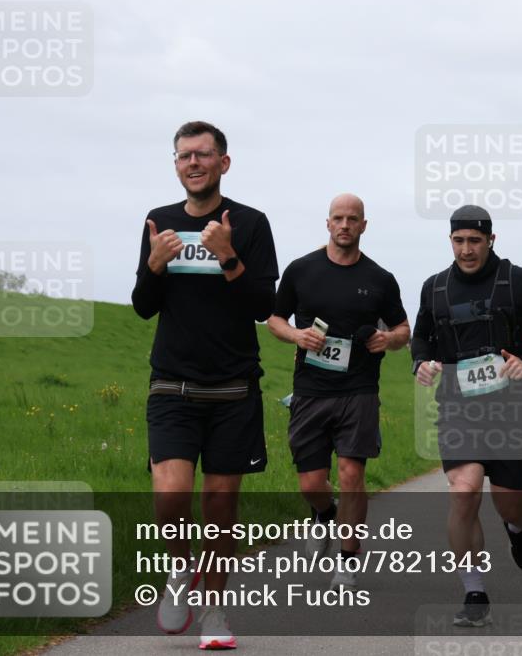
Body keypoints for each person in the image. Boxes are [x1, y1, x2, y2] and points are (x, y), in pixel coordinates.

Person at [132, 121, 279, 650]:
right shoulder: (159, 222)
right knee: (169, 499)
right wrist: (152, 265)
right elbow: (144, 305)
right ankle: (180, 569)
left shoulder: (251, 224)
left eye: (203, 154)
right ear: (176, 164)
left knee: (220, 513)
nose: (193, 163)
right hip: (171, 385)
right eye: (183, 155)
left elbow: (263, 307)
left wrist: (228, 255)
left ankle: (215, 616)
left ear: (224, 162)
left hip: (233, 391)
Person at [411, 205, 522, 627]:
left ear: (491, 240)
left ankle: (518, 529)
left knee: (510, 505)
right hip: (458, 407)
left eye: (474, 241)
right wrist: (421, 363)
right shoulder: (435, 287)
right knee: (465, 490)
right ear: (450, 242)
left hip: (509, 409)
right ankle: (474, 591)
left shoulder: (519, 281)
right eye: (459, 241)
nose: (466, 250)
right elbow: (421, 338)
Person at [267, 193, 409, 591]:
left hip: (359, 390)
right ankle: (323, 514)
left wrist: (388, 339)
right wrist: (296, 334)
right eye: (338, 218)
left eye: (353, 219)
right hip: (310, 390)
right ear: (327, 224)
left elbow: (403, 330)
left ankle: (346, 562)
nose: (345, 225)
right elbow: (274, 320)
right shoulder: (301, 270)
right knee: (311, 484)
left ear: (364, 225)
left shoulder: (380, 278)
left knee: (351, 475)